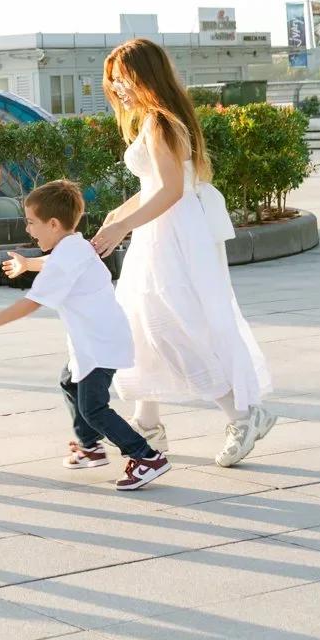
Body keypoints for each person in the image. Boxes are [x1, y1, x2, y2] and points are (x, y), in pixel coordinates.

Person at [90, 38, 276, 468]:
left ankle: (242, 415)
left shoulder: (158, 121)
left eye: (123, 81)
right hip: (162, 234)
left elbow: (171, 191)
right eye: (113, 83)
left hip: (169, 237)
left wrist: (121, 225)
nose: (118, 90)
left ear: (145, 77)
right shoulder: (159, 119)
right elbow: (157, 188)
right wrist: (118, 215)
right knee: (140, 329)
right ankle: (147, 423)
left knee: (169, 330)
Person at [0, 180, 169, 491]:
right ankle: (90, 446)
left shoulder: (67, 255)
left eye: (32, 223)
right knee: (69, 380)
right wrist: (27, 264)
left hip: (99, 345)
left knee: (94, 408)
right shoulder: (74, 245)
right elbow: (53, 263)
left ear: (52, 223)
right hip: (97, 340)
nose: (28, 229)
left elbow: (33, 301)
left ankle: (145, 456)